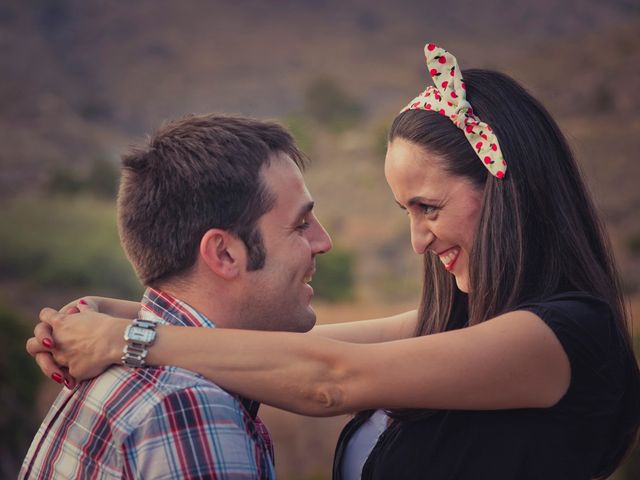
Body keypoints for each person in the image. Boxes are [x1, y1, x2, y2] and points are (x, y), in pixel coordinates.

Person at [28, 44, 640, 479]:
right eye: (405, 210)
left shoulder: (561, 338)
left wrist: (126, 340)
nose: (418, 241)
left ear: (505, 192)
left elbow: (329, 379)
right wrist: (114, 312)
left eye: (428, 206)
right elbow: (268, 342)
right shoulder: (462, 323)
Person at [20, 114, 334, 479]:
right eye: (300, 224)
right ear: (224, 254)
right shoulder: (188, 408)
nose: (323, 242)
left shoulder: (121, 364)